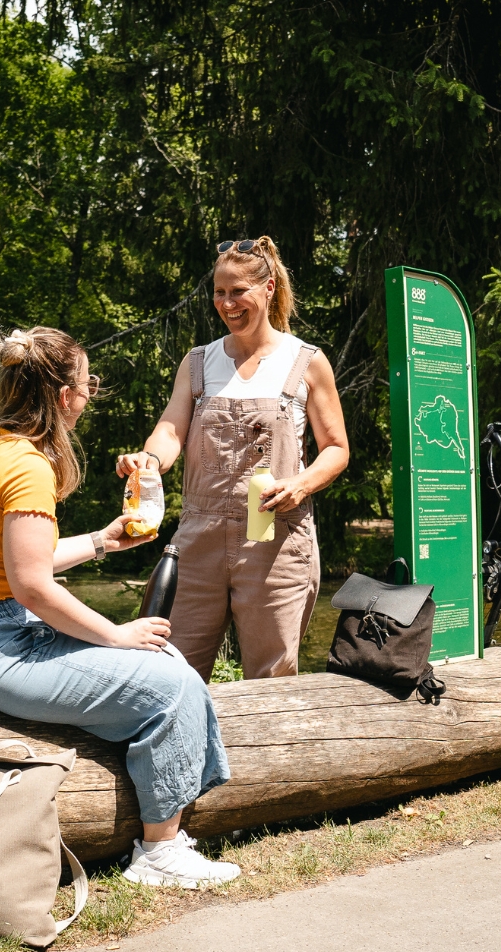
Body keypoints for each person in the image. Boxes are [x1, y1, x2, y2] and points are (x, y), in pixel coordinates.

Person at [0, 325, 239, 888]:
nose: (90, 395)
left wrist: (101, 540)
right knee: (173, 685)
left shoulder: (1, 449)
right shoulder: (29, 467)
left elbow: (19, 562)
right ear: (65, 396)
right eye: (88, 385)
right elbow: (33, 587)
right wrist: (116, 635)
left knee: (162, 663)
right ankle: (160, 852)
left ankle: (163, 825)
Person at [117, 237, 349, 681]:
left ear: (269, 288)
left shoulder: (306, 362)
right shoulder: (198, 362)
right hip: (198, 539)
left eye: (238, 291)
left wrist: (300, 484)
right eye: (219, 292)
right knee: (170, 669)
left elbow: (337, 448)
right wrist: (148, 459)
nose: (227, 303)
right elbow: (170, 431)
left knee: (271, 677)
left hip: (275, 541)